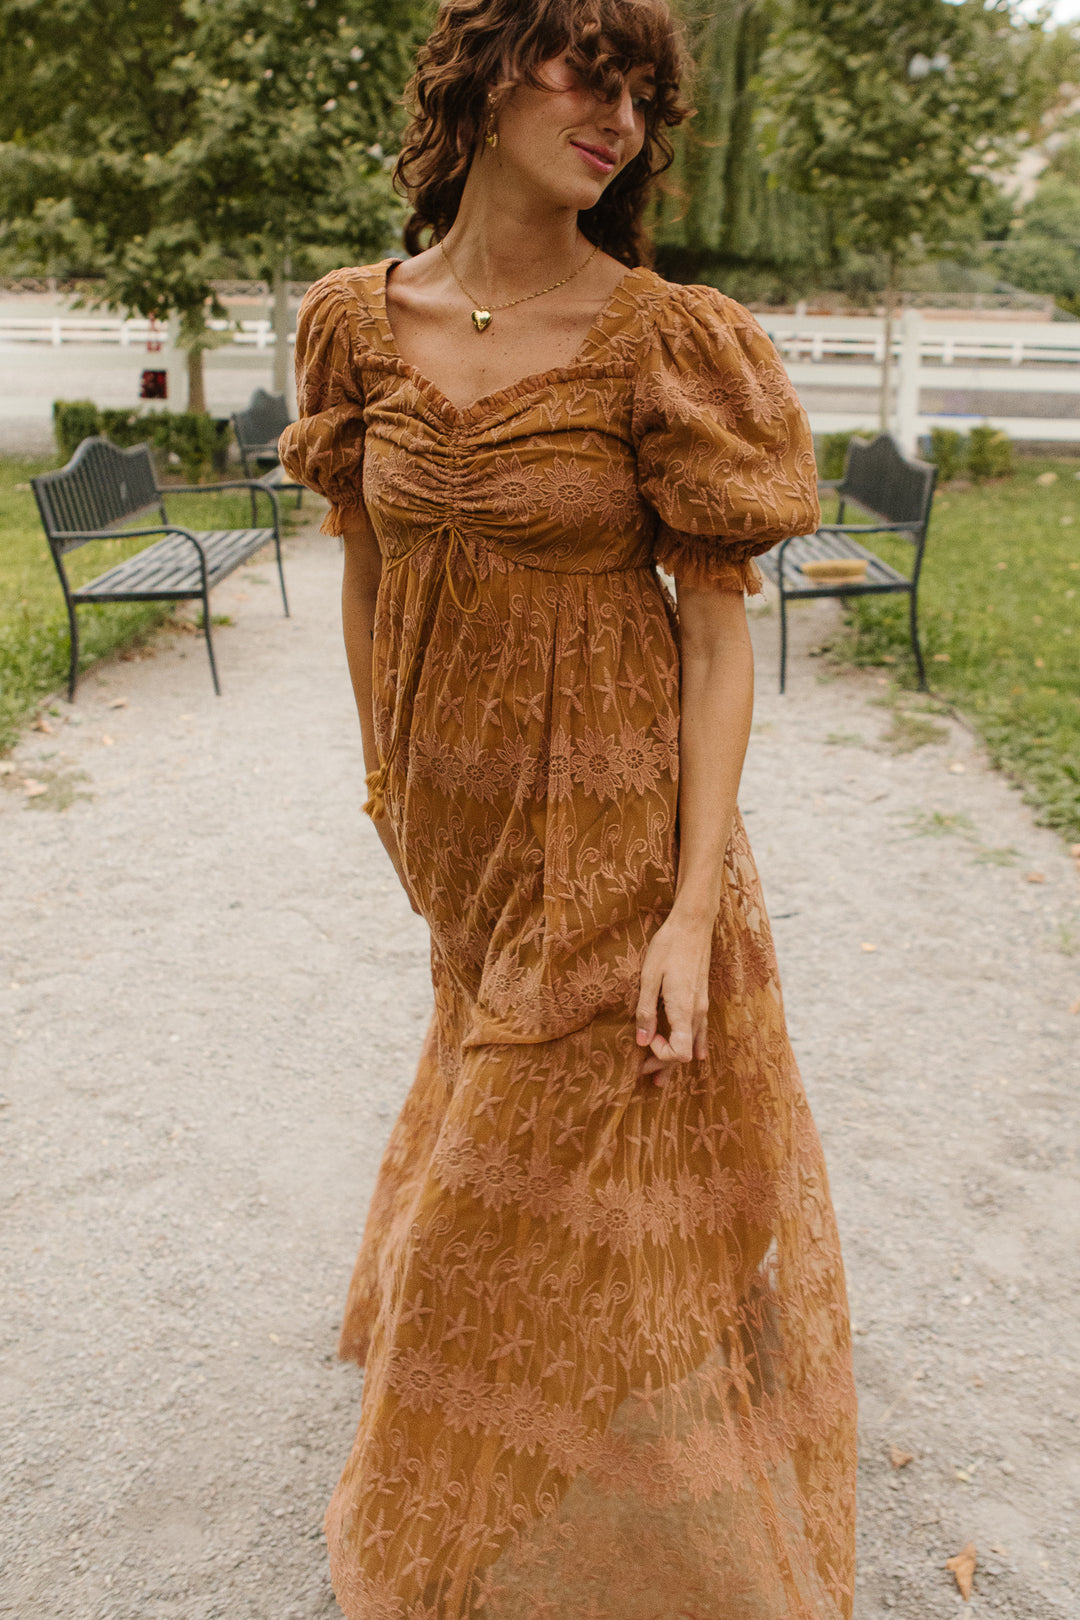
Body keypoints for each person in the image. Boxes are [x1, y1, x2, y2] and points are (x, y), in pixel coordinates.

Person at [279, 0, 857, 1614]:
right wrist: (386, 775)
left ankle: (451, 1547)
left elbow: (721, 633)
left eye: (643, 98)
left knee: (506, 1184)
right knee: (540, 1125)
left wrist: (687, 910)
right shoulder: (353, 319)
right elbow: (370, 562)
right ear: (478, 76)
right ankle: (643, 1388)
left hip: (618, 827)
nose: (618, 117)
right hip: (460, 831)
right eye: (584, 72)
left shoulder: (665, 337)